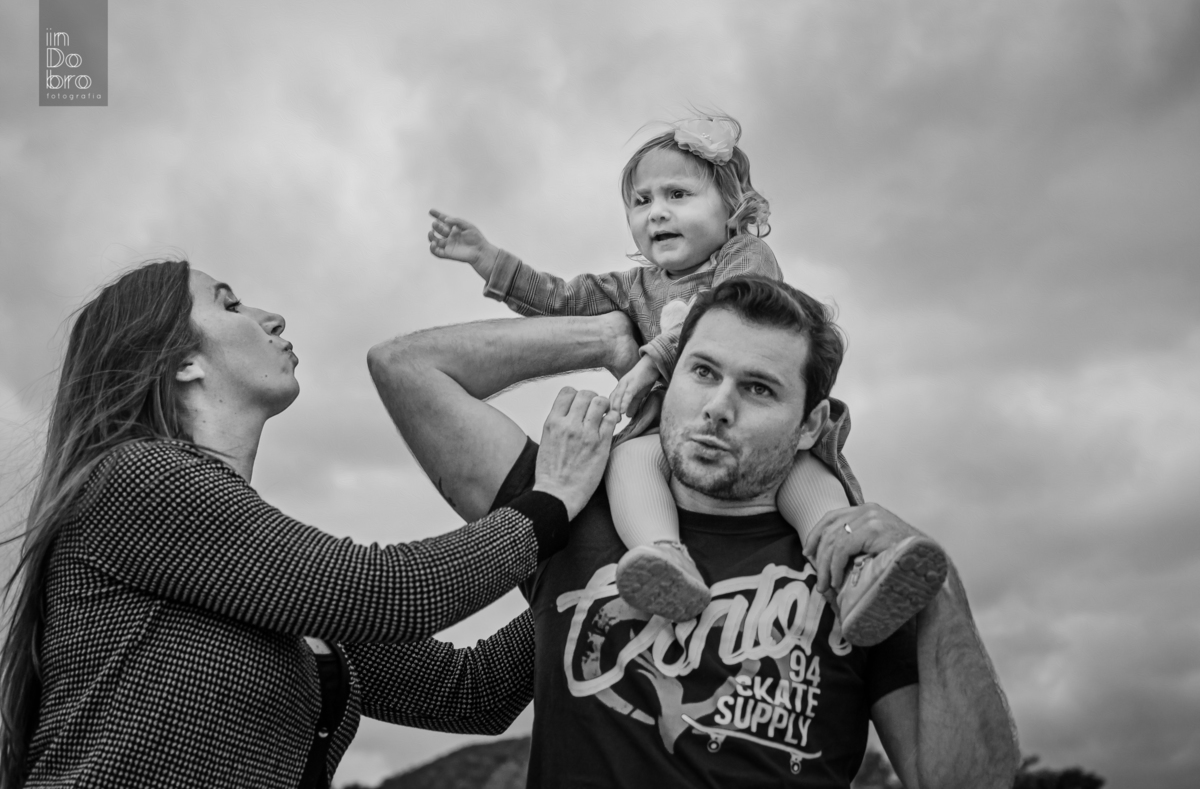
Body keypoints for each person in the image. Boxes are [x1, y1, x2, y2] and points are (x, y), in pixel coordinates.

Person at [368, 276, 1019, 787]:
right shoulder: (571, 498)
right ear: (671, 378)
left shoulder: (860, 576)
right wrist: (609, 340)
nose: (717, 407)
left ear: (812, 425)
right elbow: (406, 366)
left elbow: (967, 781)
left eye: (759, 388)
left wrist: (939, 585)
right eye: (703, 372)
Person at [0, 259, 619, 789]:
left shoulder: (264, 577)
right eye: (231, 304)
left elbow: (470, 692)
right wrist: (552, 502)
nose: (272, 317)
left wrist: (603, 568)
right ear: (183, 361)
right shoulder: (135, 480)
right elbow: (383, 590)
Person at [427, 114, 945, 645]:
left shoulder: (745, 255)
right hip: (669, 429)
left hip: (753, 424)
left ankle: (853, 565)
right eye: (642, 201)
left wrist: (652, 360)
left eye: (678, 194)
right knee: (632, 459)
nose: (659, 213)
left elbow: (724, 316)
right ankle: (665, 561)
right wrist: (488, 260)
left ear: (732, 209)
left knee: (800, 471)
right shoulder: (633, 286)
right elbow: (560, 298)